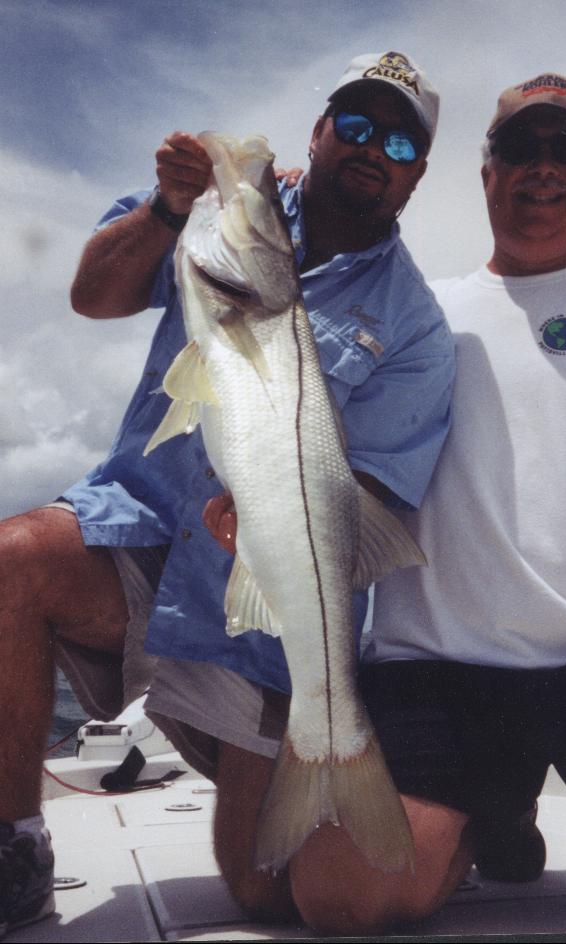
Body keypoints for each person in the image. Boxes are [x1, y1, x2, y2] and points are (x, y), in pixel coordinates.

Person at [0, 52, 454, 938]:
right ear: (318, 133)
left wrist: (261, 521)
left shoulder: (416, 327)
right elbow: (94, 295)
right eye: (354, 124)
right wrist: (171, 206)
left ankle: (409, 795)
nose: (372, 147)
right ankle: (14, 845)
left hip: (262, 600)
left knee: (261, 892)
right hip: (136, 528)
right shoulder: (224, 215)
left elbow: (376, 495)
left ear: (416, 175)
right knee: (13, 560)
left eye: (397, 139)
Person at [365, 70, 566, 914]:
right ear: (486, 171)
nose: (543, 167)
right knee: (352, 902)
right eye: (518, 149)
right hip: (446, 663)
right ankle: (492, 820)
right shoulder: (419, 314)